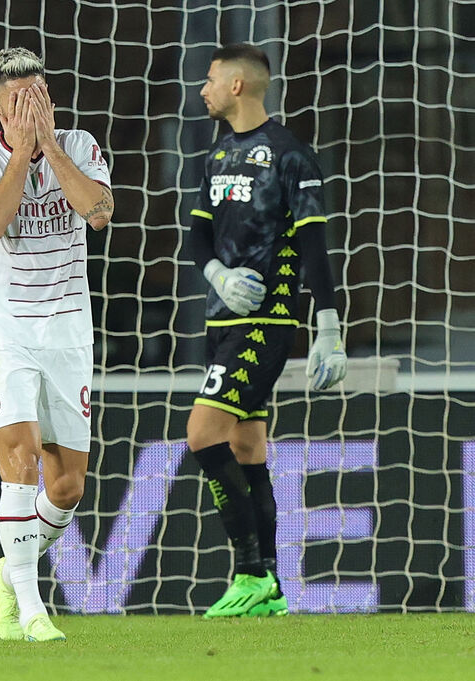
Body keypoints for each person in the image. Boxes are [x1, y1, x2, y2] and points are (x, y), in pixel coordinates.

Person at [0, 47, 113, 642]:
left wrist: (47, 145)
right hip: (5, 328)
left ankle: (9, 566)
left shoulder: (80, 146)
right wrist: (22, 151)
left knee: (68, 485)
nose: (32, 106)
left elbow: (98, 212)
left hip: (68, 328)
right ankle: (31, 605)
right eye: (19, 98)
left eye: (39, 94)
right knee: (17, 461)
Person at [185, 43, 347, 618]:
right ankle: (271, 588)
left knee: (202, 435)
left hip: (267, 320)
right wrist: (216, 274)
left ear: (237, 86)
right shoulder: (214, 154)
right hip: (221, 318)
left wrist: (327, 323)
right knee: (247, 446)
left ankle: (250, 572)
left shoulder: (290, 155)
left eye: (209, 80)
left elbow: (314, 245)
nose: (201, 90)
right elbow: (197, 236)